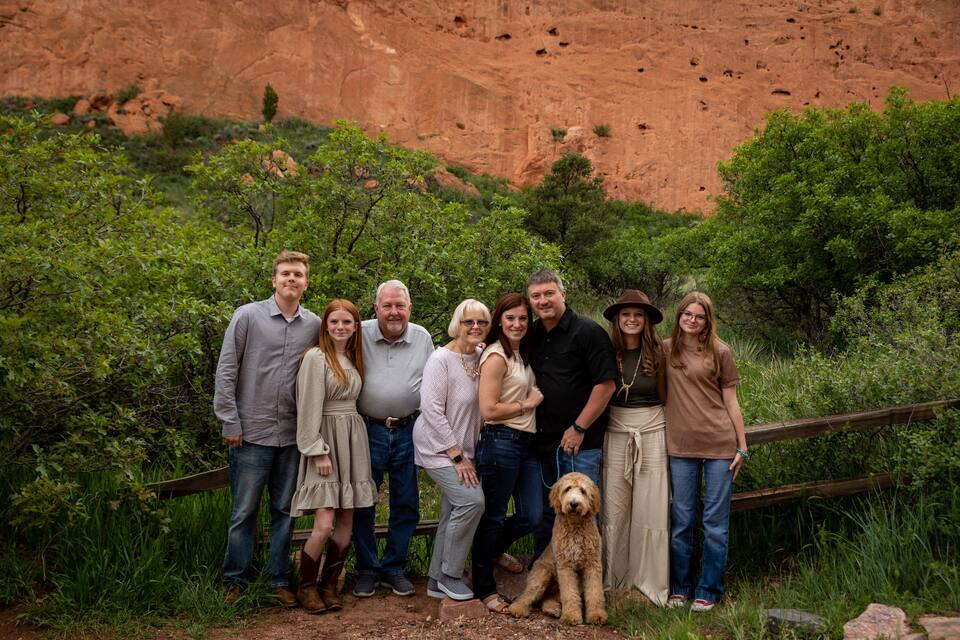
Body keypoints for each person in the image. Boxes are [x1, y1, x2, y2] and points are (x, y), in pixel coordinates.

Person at [214, 250, 321, 606]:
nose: (292, 279)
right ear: (274, 279)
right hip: (250, 433)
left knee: (285, 511)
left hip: (293, 435)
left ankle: (278, 579)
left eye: (298, 274)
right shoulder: (247, 316)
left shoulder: (314, 325)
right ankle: (235, 580)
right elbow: (227, 369)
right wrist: (230, 420)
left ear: (306, 283)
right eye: (286, 273)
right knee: (244, 512)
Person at [663, 291, 748, 613]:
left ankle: (708, 589)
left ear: (707, 320)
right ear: (679, 315)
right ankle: (680, 587)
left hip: (718, 444)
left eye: (699, 316)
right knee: (682, 520)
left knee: (714, 523)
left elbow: (731, 401)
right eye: (687, 314)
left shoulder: (720, 351)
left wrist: (742, 445)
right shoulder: (665, 349)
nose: (692, 320)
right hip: (680, 445)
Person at [291, 299, 376, 613]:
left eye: (347, 322)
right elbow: (307, 407)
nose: (341, 327)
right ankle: (306, 587)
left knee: (347, 518)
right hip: (325, 440)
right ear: (325, 326)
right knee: (324, 523)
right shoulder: (316, 357)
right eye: (334, 322)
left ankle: (330, 585)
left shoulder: (353, 357)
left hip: (352, 441)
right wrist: (317, 451)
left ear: (355, 327)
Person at [526, 269, 617, 559]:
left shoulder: (588, 332)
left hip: (581, 445)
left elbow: (606, 385)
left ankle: (588, 576)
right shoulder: (532, 334)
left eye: (549, 293)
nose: (543, 300)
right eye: (536, 296)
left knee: (584, 515)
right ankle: (546, 576)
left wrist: (579, 427)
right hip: (543, 442)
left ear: (563, 294)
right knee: (546, 516)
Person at [352, 280, 435, 598]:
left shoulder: (421, 337)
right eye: (387, 305)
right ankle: (367, 569)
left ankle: (393, 567)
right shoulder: (358, 333)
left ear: (410, 308)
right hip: (367, 429)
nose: (394, 312)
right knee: (363, 502)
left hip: (409, 430)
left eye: (400, 305)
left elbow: (434, 382)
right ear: (376, 308)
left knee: (407, 503)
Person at [471, 293, 545, 613]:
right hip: (500, 441)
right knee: (493, 516)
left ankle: (492, 552)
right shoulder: (496, 355)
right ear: (499, 321)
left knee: (532, 514)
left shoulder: (522, 352)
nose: (517, 324)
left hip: (527, 445)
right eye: (510, 318)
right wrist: (526, 404)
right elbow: (488, 409)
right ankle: (484, 588)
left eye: (523, 318)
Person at [413, 299, 490, 601]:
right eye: (468, 321)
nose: (475, 327)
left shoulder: (482, 356)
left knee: (452, 511)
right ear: (457, 324)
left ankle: (435, 580)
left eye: (481, 322)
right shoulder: (441, 359)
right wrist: (457, 456)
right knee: (472, 502)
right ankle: (450, 574)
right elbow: (431, 410)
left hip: (465, 448)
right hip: (438, 447)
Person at [600, 289, 669, 605]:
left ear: (646, 320)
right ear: (617, 319)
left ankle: (649, 581)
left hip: (652, 431)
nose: (631, 319)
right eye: (626, 314)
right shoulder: (606, 351)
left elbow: (669, 397)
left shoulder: (659, 353)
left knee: (651, 506)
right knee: (615, 507)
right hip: (616, 431)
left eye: (638, 315)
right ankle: (616, 580)